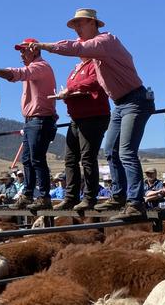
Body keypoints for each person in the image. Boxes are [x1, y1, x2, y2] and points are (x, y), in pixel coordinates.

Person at [29, 9, 155, 220]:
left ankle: (136, 201)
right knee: (111, 151)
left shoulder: (105, 41)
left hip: (134, 100)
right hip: (122, 103)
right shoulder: (96, 56)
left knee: (124, 152)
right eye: (75, 25)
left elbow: (76, 48)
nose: (77, 29)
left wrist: (44, 46)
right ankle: (120, 196)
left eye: (80, 24)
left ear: (94, 24)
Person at [0, 38, 57, 211]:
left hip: (39, 119)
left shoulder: (40, 67)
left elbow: (16, 74)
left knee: (36, 158)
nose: (21, 54)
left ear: (35, 50)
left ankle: (43, 196)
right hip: (33, 121)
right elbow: (18, 74)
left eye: (24, 50)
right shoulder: (34, 69)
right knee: (28, 159)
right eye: (20, 51)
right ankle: (29, 194)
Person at [48, 44, 111, 210]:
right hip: (77, 118)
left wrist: (69, 90)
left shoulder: (96, 64)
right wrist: (68, 95)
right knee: (70, 159)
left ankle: (90, 197)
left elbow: (93, 82)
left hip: (93, 116)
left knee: (88, 158)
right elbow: (77, 88)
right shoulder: (76, 69)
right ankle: (71, 197)